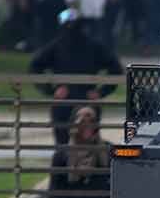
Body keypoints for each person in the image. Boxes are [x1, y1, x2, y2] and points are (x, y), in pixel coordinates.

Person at [29, 9, 123, 149]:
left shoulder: (94, 47)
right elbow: (35, 67)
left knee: (89, 146)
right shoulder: (56, 46)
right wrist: (51, 90)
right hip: (64, 101)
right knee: (62, 148)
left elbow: (115, 68)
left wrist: (101, 92)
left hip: (87, 100)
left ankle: (89, 170)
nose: (71, 29)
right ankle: (62, 170)